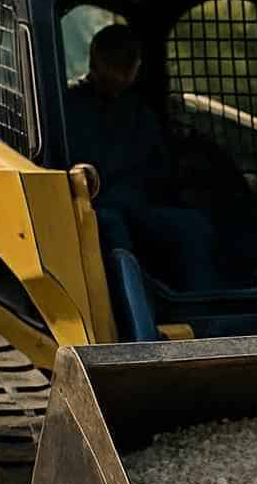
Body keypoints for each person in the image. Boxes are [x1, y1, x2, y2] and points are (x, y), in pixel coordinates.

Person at [64, 22, 218, 293]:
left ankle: (203, 301)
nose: (121, 74)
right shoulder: (67, 108)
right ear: (96, 60)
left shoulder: (138, 112)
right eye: (114, 63)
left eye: (127, 66)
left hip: (139, 208)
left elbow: (160, 169)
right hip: (93, 211)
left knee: (193, 226)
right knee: (112, 228)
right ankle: (135, 302)